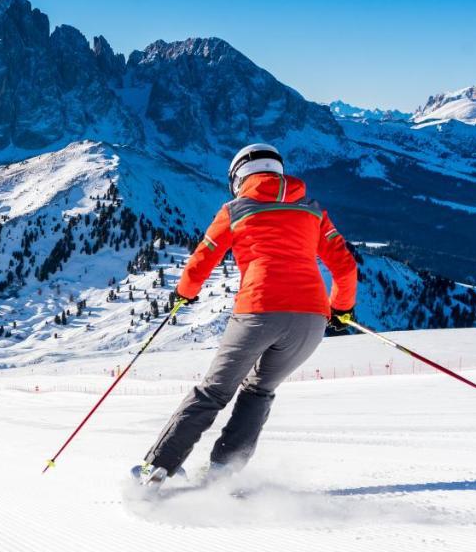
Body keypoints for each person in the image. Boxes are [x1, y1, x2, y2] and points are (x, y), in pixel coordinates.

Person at [134, 143, 358, 488]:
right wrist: (341, 308)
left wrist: (183, 294)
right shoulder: (313, 210)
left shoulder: (236, 209)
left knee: (213, 393)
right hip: (311, 319)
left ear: (238, 176)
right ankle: (224, 474)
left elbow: (203, 257)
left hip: (259, 309)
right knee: (260, 390)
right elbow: (344, 266)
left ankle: (156, 469)